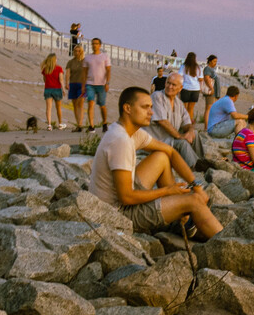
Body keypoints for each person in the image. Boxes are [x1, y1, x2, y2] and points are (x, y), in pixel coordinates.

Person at [90, 85, 222, 236]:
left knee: (162, 157)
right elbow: (126, 197)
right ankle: (222, 242)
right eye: (145, 107)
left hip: (122, 201)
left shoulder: (129, 131)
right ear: (127, 108)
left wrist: (195, 184)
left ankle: (179, 216)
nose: (151, 112)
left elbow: (170, 151)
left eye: (151, 107)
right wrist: (167, 191)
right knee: (194, 201)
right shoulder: (121, 141)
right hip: (116, 214)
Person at [149, 71, 197, 160]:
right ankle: (194, 166)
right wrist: (180, 136)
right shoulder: (157, 96)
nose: (170, 87)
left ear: (180, 88)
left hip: (171, 139)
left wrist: (190, 131)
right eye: (168, 83)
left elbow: (187, 123)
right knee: (182, 143)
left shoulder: (179, 103)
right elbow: (162, 121)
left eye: (174, 85)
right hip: (158, 140)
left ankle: (200, 161)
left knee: (195, 134)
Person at [80, 39, 110, 130]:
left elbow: (108, 70)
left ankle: (104, 123)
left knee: (102, 105)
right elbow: (84, 72)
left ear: (100, 45)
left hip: (101, 84)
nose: (94, 45)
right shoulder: (87, 58)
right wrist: (83, 85)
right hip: (90, 84)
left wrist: (107, 83)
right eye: (93, 44)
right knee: (90, 103)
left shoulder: (105, 56)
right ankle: (91, 125)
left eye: (96, 44)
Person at [41, 53, 66, 130]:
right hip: (57, 89)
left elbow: (44, 80)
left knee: (48, 108)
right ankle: (60, 124)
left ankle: (49, 125)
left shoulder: (45, 69)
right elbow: (61, 80)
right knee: (58, 108)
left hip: (48, 89)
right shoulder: (59, 68)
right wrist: (63, 89)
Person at [180, 52, 202, 119]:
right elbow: (201, 79)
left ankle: (183, 123)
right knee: (191, 108)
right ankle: (189, 123)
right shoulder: (198, 67)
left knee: (184, 108)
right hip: (195, 89)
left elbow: (179, 76)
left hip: (185, 88)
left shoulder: (184, 66)